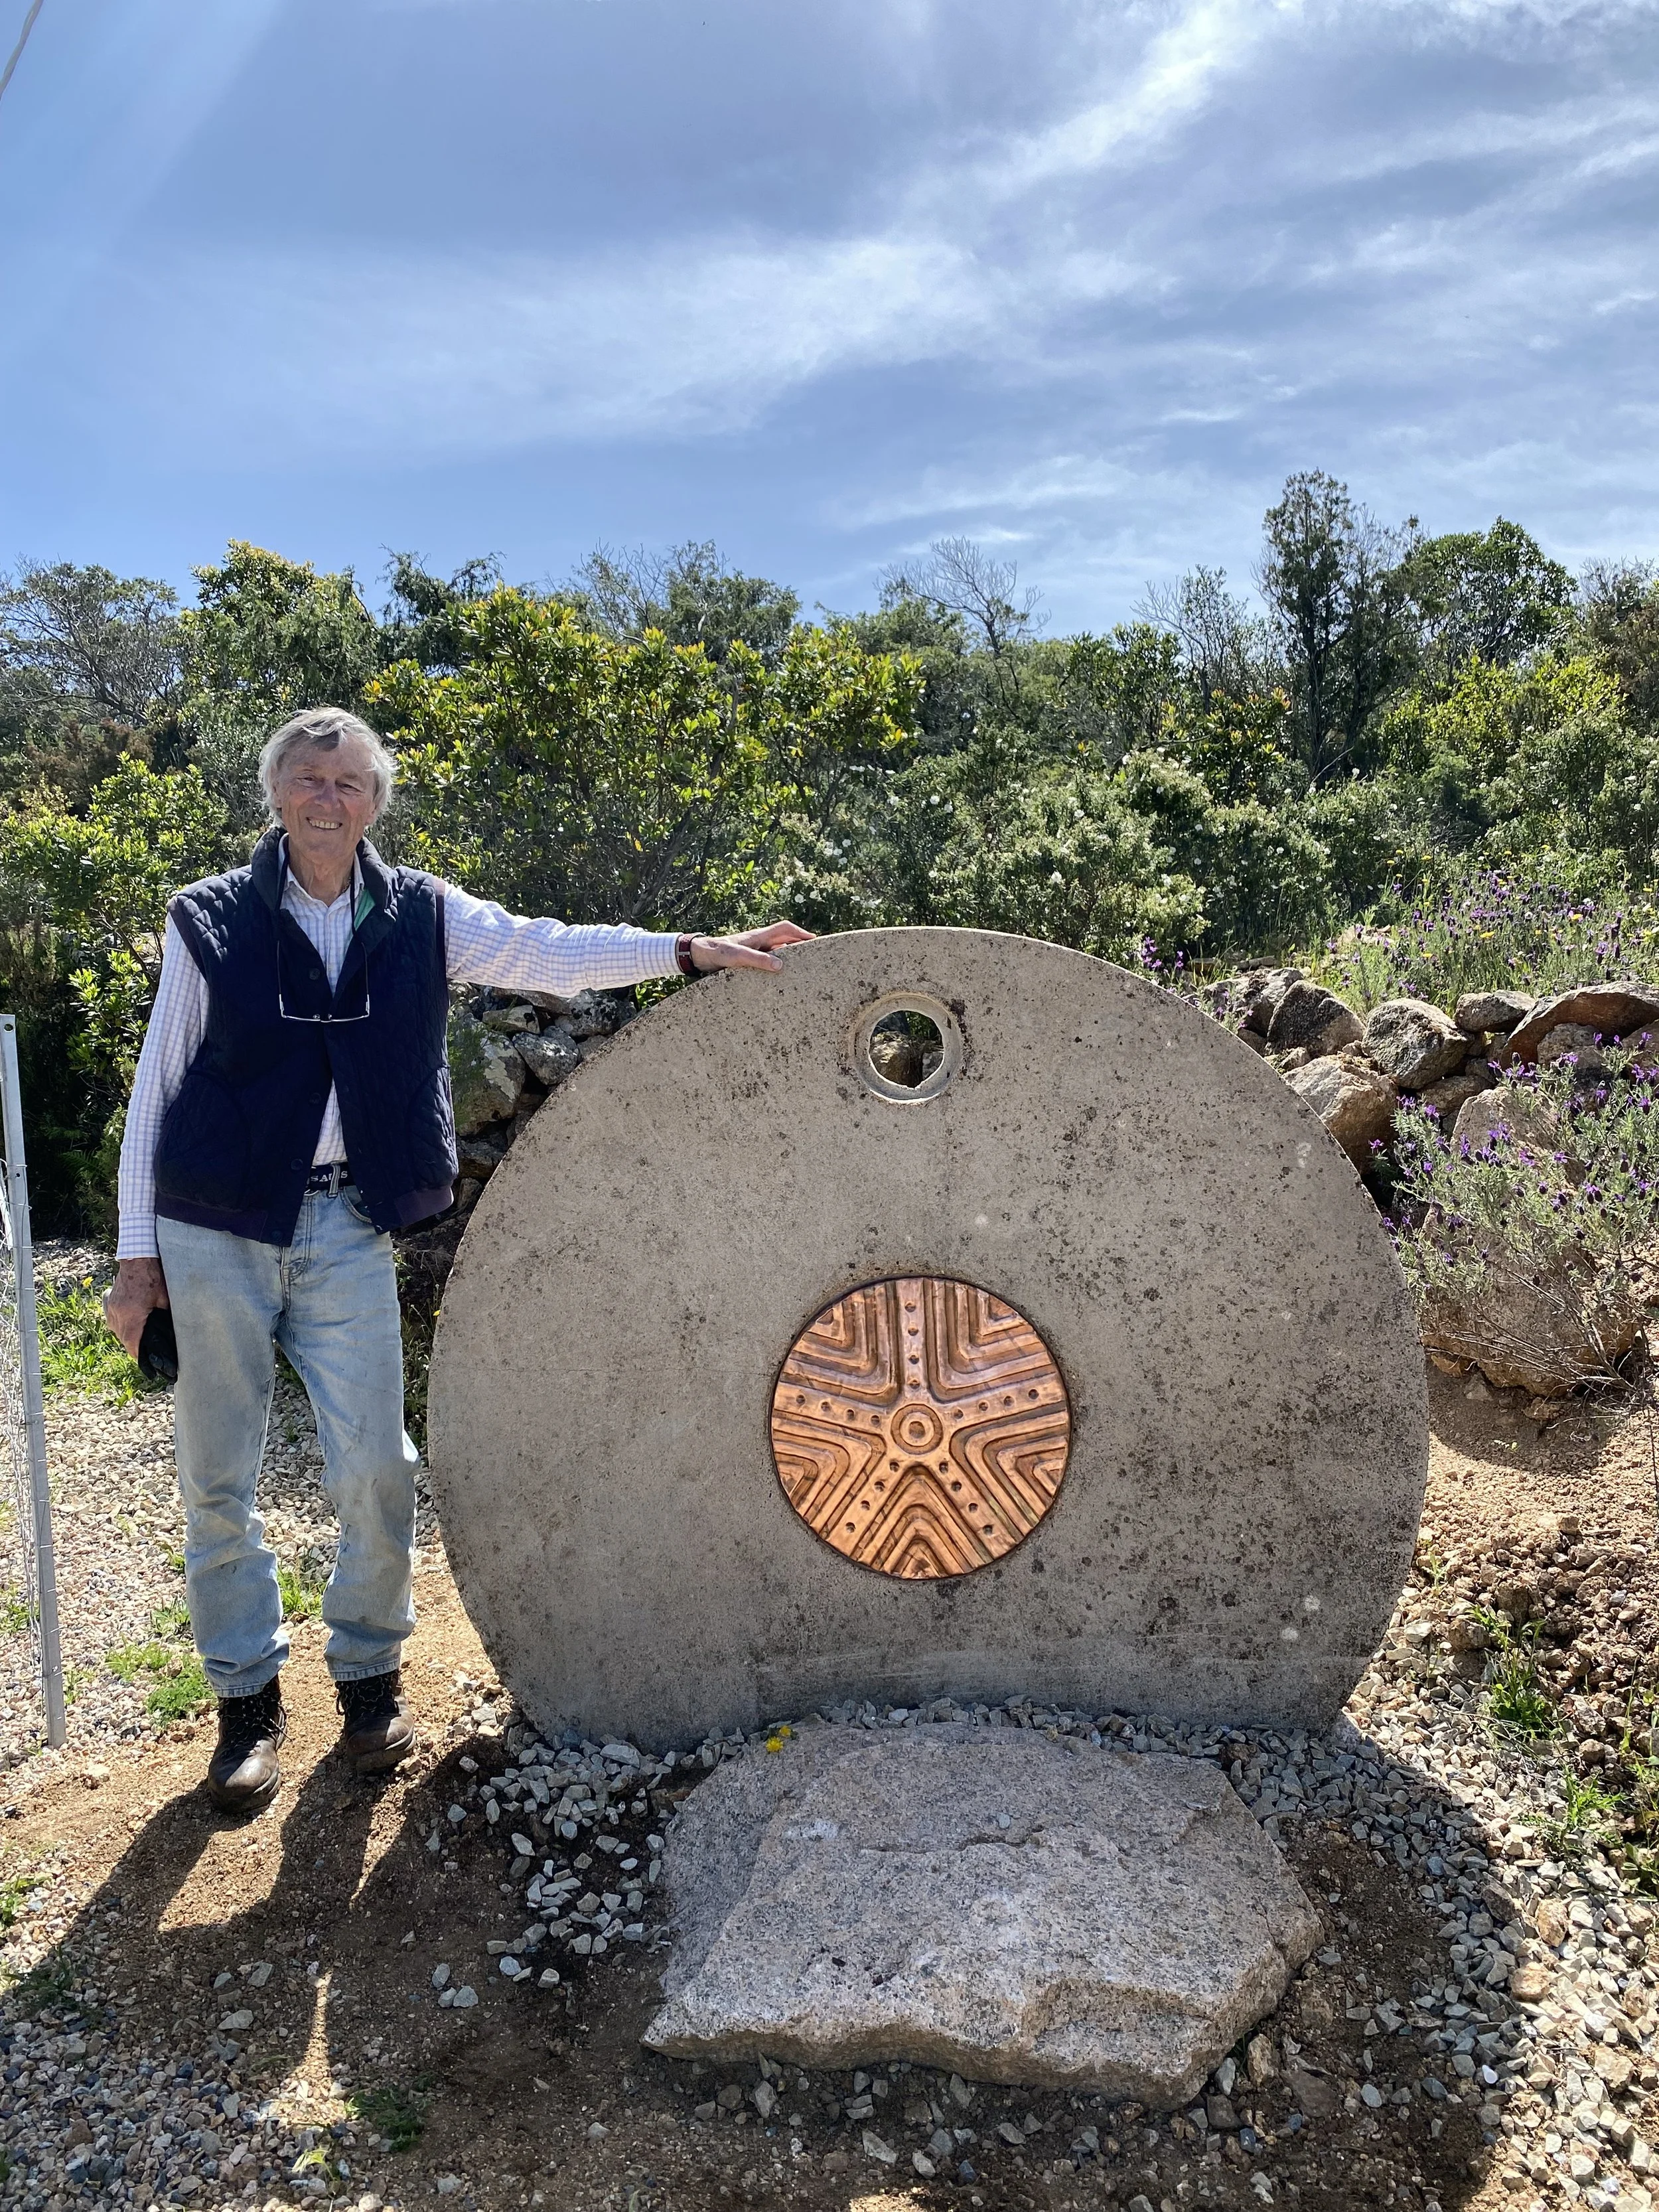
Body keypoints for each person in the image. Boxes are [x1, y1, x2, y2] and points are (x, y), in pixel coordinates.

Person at [104, 705, 809, 1814]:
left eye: (347, 782)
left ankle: (369, 1681)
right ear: (274, 796)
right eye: (305, 778)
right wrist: (135, 1261)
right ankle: (246, 1706)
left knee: (379, 1465)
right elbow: (158, 1086)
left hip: (347, 1226)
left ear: (376, 803)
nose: (325, 798)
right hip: (217, 1225)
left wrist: (686, 950)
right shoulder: (210, 919)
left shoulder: (422, 912)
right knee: (216, 1479)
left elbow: (546, 949)